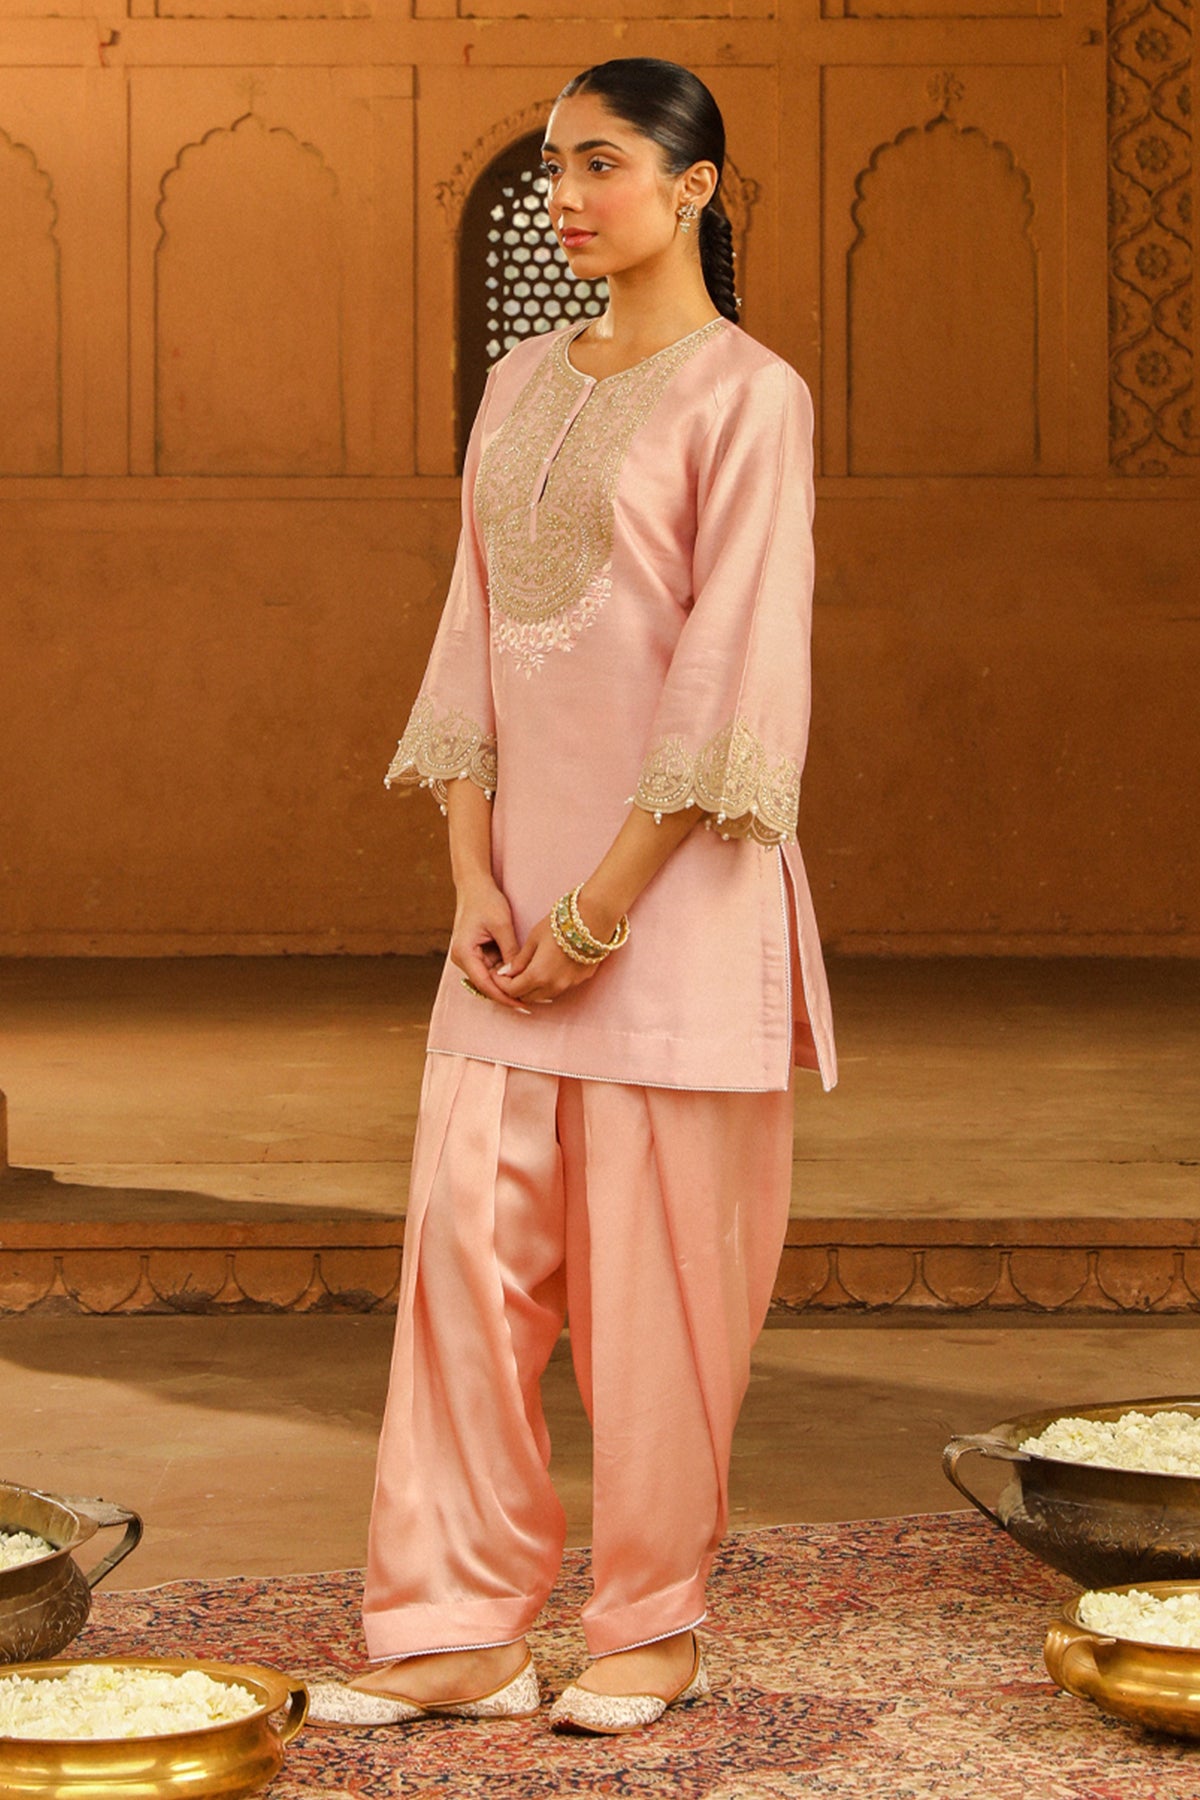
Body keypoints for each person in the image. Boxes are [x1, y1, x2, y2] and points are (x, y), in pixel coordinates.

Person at [309, 55, 837, 1737]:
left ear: (695, 187)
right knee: (463, 1273)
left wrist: (601, 912)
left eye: (602, 164)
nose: (567, 195)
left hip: (670, 919)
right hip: (509, 921)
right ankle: (457, 1627)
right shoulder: (520, 382)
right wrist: (473, 871)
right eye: (553, 166)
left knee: (661, 1297)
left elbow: (730, 677)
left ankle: (652, 1623)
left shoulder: (751, 398)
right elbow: (471, 633)